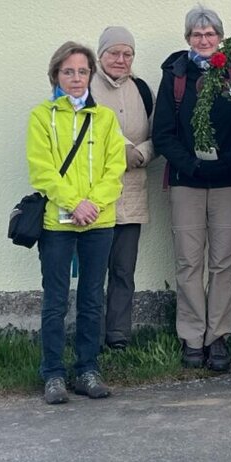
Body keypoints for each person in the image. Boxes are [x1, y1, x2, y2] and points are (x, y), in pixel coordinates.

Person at [26, 42, 126, 405]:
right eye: (68, 71)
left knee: (91, 299)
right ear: (56, 75)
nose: (75, 78)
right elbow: (42, 170)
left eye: (82, 71)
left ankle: (87, 369)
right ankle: (52, 373)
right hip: (58, 223)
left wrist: (93, 205)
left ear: (91, 75)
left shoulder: (105, 118)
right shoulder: (41, 116)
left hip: (98, 222)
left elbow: (115, 168)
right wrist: (73, 203)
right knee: (55, 300)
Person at [152, 6, 231, 373]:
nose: (204, 40)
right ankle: (192, 336)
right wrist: (191, 164)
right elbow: (162, 133)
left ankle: (218, 335)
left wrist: (226, 164)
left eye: (210, 34)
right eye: (197, 34)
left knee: (223, 263)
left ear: (220, 38)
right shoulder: (175, 76)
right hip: (186, 181)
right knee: (189, 262)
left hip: (228, 181)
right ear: (188, 38)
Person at [89, 26, 154, 351]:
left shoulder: (142, 89)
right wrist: (122, 149)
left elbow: (158, 133)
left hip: (131, 195)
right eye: (114, 53)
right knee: (92, 272)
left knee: (123, 270)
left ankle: (118, 337)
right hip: (94, 198)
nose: (121, 59)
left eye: (127, 53)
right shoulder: (86, 87)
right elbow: (87, 133)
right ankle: (90, 337)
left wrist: (142, 152)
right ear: (100, 55)